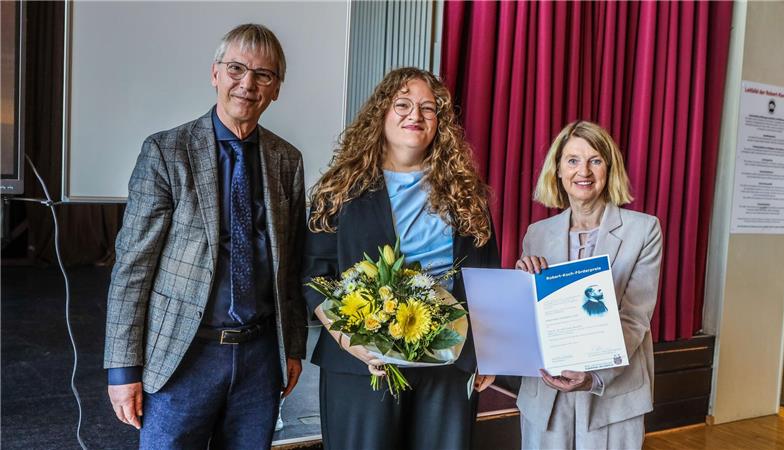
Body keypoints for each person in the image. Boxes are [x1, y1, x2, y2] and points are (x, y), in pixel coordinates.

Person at [103, 24, 307, 449]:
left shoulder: (287, 160)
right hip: (182, 357)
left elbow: (290, 267)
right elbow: (132, 268)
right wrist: (123, 370)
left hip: (259, 360)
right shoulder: (166, 152)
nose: (247, 84)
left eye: (263, 75)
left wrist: (292, 348)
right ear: (215, 74)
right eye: (236, 69)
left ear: (276, 89)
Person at [303, 67, 500, 450]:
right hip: (363, 367)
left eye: (428, 108)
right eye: (403, 105)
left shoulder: (466, 195)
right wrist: (351, 342)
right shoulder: (339, 190)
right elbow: (315, 276)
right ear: (381, 113)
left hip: (448, 366)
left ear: (439, 123)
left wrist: (489, 354)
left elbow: (488, 277)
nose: (416, 115)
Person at [515, 121, 662, 449]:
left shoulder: (644, 230)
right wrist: (521, 285)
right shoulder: (536, 234)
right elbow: (529, 319)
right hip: (546, 396)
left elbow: (634, 318)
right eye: (572, 160)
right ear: (558, 170)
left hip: (611, 395)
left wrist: (594, 375)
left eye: (595, 160)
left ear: (609, 169)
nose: (583, 171)